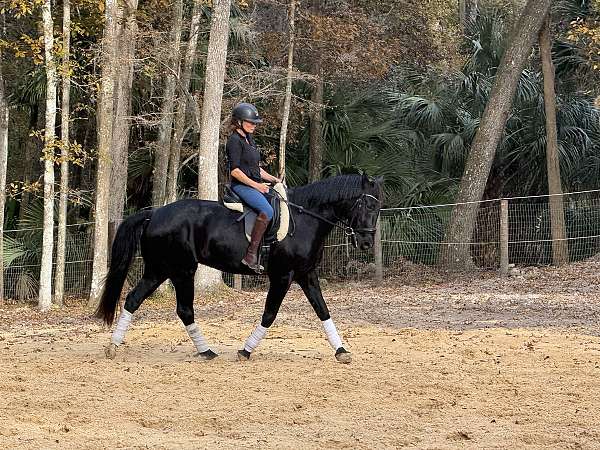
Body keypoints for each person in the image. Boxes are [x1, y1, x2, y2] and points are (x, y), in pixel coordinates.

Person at [226, 102, 281, 273]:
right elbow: (235, 171)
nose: (253, 126)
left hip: (255, 184)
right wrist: (257, 186)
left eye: (255, 123)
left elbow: (256, 168)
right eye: (250, 122)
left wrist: (274, 179)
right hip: (242, 186)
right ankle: (250, 255)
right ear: (238, 122)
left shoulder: (250, 139)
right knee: (268, 211)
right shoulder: (234, 141)